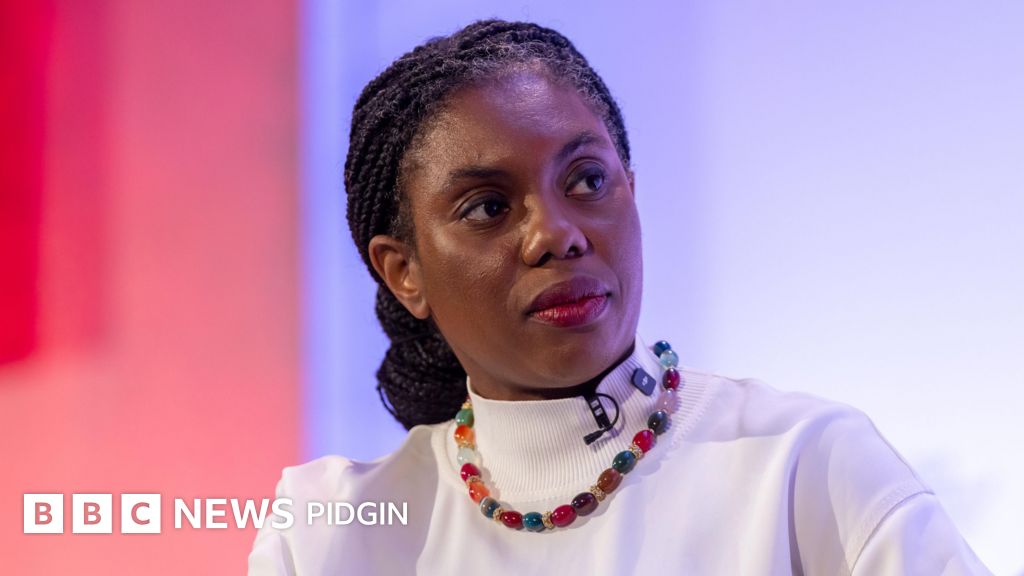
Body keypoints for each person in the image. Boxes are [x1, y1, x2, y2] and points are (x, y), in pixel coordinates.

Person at [248, 19, 990, 575]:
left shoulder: (804, 467)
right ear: (403, 272)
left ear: (630, 190)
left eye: (586, 181)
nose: (557, 235)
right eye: (488, 207)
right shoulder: (331, 533)